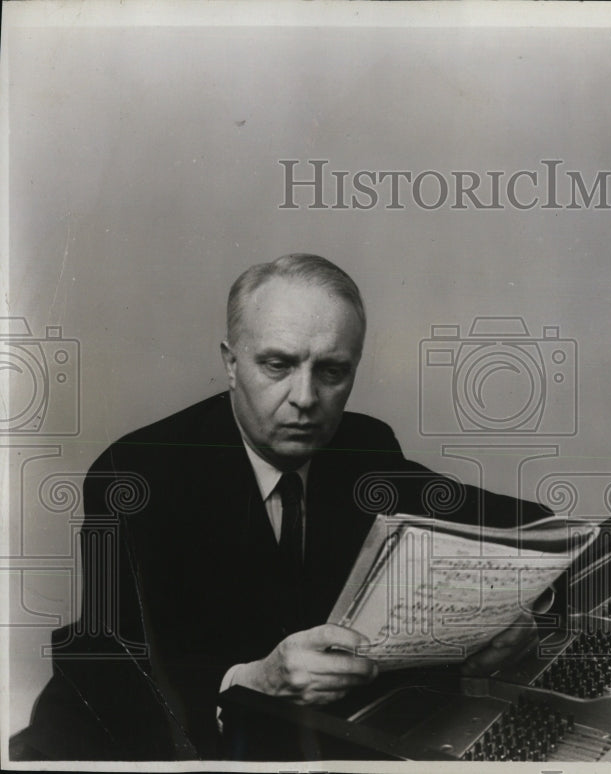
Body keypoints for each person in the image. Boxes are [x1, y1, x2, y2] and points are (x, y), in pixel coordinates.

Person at [14, 254, 548, 760]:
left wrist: (513, 612)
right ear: (230, 362)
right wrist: (250, 681)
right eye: (278, 364)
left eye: (333, 371)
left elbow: (529, 527)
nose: (306, 398)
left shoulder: (363, 445)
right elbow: (116, 672)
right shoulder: (132, 475)